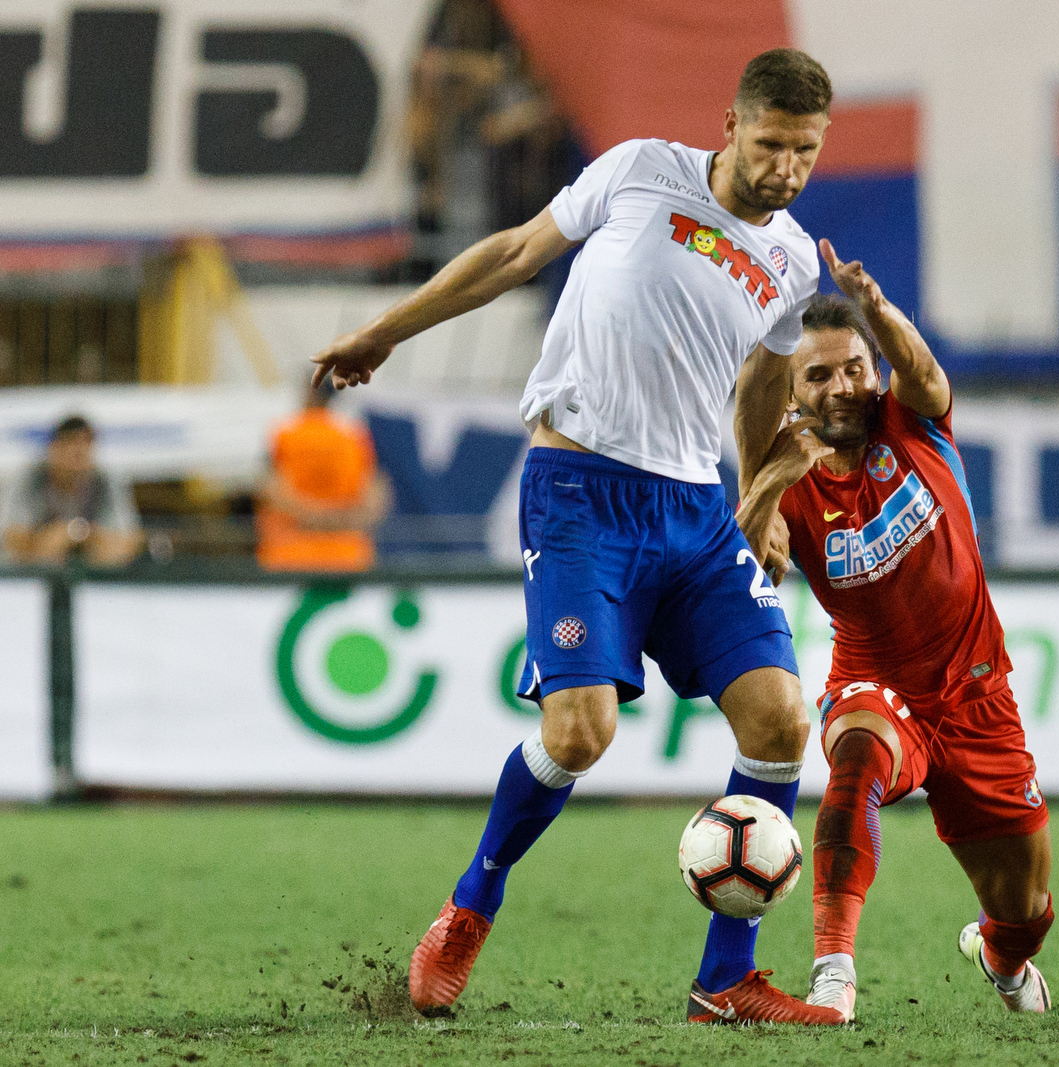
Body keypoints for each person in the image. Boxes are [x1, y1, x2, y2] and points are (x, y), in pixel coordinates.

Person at [311, 49, 843, 1025]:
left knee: (780, 721)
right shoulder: (641, 168)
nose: (786, 168)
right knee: (579, 732)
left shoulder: (796, 258)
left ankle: (725, 977)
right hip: (580, 492)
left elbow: (766, 387)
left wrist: (758, 502)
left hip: (690, 510)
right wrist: (388, 330)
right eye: (771, 144)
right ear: (729, 125)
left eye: (805, 151)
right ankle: (472, 902)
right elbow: (515, 252)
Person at [736, 250, 1054, 1023]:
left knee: (1028, 909)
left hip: (979, 694)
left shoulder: (916, 419)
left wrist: (874, 305)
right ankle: (833, 973)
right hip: (876, 686)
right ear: (793, 392)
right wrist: (771, 479)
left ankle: (1001, 952)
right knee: (856, 757)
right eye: (817, 376)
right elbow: (747, 575)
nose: (841, 386)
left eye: (853, 368)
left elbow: (921, 366)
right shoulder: (791, 471)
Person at [256, 378, 392, 573]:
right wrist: (338, 521)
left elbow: (274, 491)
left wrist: (313, 518)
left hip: (289, 554)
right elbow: (374, 498)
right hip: (348, 556)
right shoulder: (354, 436)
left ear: (308, 392)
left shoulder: (285, 434)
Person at [1, 414, 143, 567]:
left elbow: (129, 542)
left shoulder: (105, 480)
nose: (79, 451)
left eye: (86, 444)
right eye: (71, 442)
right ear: (53, 447)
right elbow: (11, 540)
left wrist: (76, 534)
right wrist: (48, 542)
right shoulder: (30, 478)